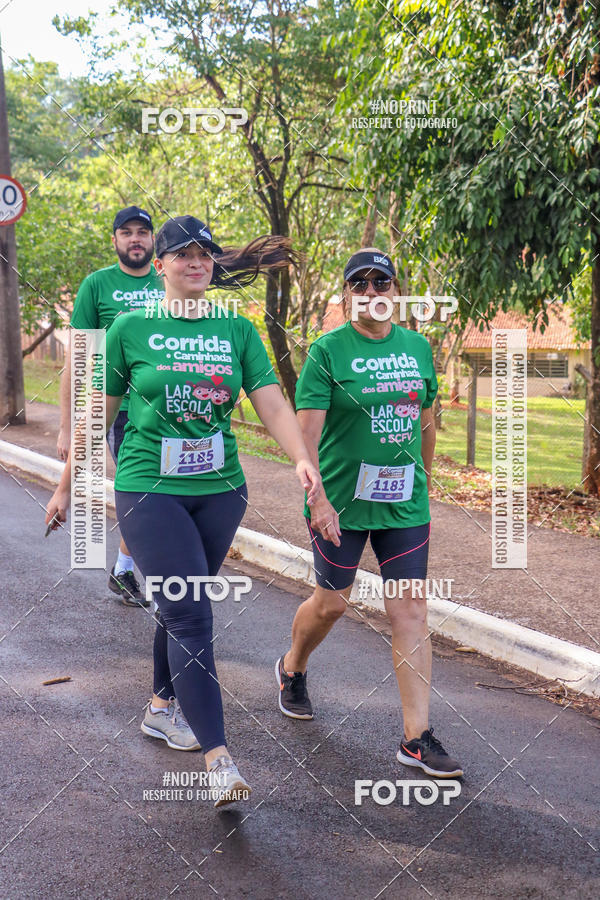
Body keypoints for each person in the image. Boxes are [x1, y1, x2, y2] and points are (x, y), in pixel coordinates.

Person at [46, 215, 321, 806]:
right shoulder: (130, 327)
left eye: (205, 254)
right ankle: (219, 760)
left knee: (180, 606)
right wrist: (66, 485)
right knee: (193, 614)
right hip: (150, 488)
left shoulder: (236, 329)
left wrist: (303, 460)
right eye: (183, 254)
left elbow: (272, 405)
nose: (196, 262)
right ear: (162, 265)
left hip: (221, 491)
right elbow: (99, 413)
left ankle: (160, 705)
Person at [276, 248, 463, 779]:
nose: (372, 291)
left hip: (404, 503)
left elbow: (425, 422)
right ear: (347, 295)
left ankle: (416, 738)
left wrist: (424, 482)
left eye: (382, 282)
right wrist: (316, 499)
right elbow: (306, 437)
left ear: (395, 291)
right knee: (331, 604)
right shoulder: (328, 352)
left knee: (410, 611)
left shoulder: (417, 347)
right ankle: (292, 667)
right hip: (340, 501)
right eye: (360, 283)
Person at [57, 205, 165, 607]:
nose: (135, 239)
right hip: (119, 410)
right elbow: (76, 359)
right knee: (147, 491)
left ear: (153, 240)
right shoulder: (97, 285)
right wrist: (67, 427)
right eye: (127, 232)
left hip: (167, 408)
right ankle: (138, 573)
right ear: (115, 240)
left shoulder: (167, 278)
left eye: (142, 232)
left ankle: (125, 570)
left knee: (158, 492)